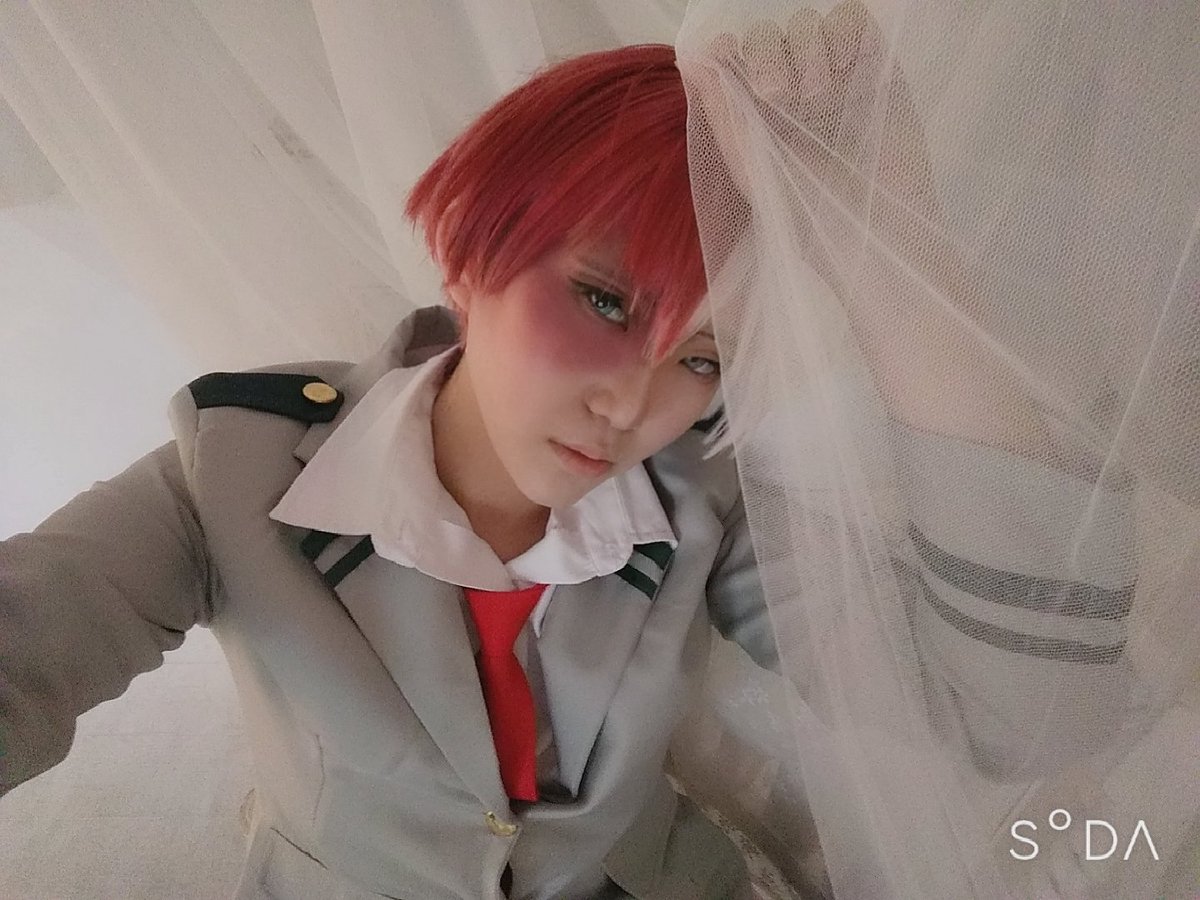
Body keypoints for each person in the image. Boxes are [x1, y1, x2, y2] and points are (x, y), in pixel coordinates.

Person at [0, 19, 1139, 900]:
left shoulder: (699, 500)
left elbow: (1024, 716)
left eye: (703, 358)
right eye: (604, 300)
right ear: (468, 251)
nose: (634, 404)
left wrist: (895, 243)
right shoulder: (238, 467)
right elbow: (33, 635)